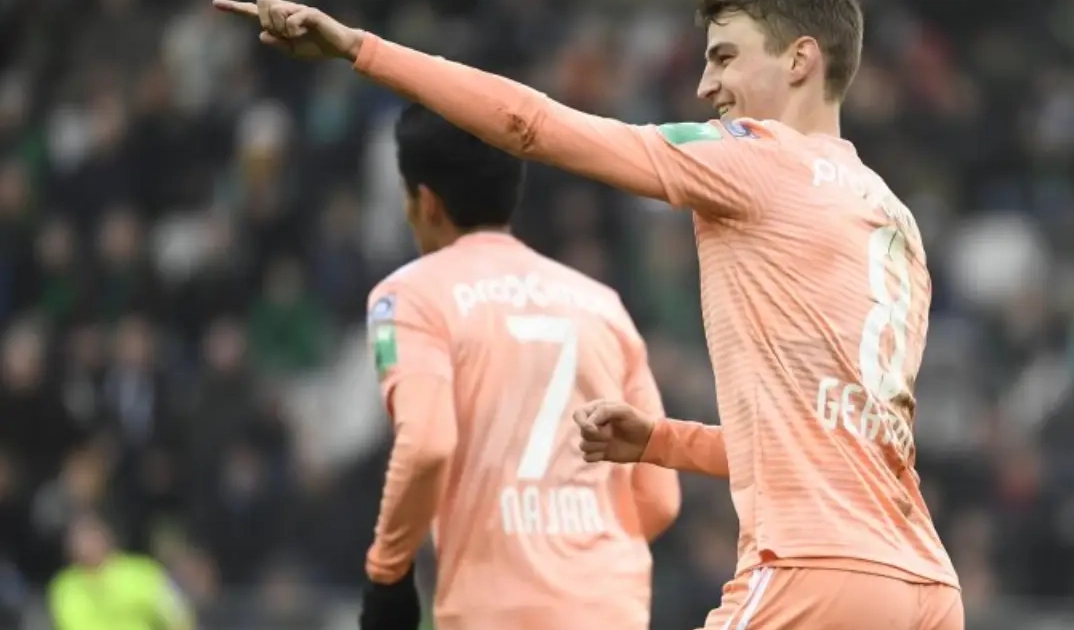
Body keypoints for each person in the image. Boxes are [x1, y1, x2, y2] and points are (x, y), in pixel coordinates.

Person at [211, 0, 962, 627]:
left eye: (725, 57)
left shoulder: (754, 155)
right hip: (924, 586)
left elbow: (530, 125)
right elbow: (829, 447)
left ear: (800, 60)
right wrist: (659, 441)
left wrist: (358, 48)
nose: (706, 84)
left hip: (813, 571)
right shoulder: (894, 221)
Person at [356, 102, 679, 630]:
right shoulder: (602, 305)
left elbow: (427, 445)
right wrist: (576, 563)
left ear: (426, 203)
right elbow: (660, 497)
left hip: (497, 609)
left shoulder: (410, 296)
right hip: (612, 605)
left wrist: (387, 574)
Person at [46, 513, 193, 630]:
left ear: (107, 536)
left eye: (92, 535)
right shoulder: (64, 587)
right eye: (80, 539)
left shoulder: (144, 571)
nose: (87, 545)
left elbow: (177, 613)